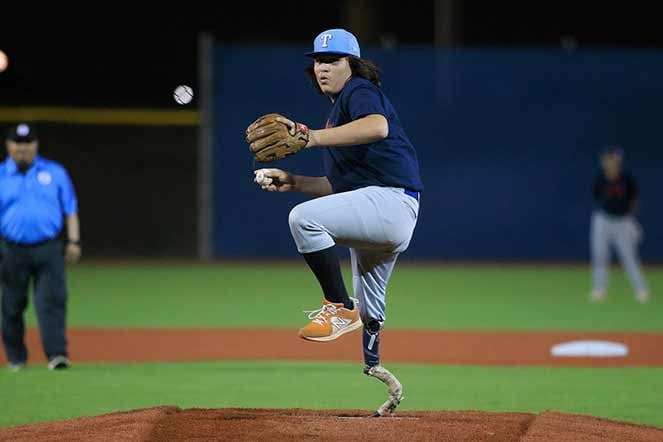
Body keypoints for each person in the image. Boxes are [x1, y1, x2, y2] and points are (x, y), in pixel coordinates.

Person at [249, 29, 423, 415]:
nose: (323, 67)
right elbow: (340, 188)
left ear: (353, 65)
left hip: (389, 203)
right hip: (382, 210)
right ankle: (375, 366)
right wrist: (294, 181)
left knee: (304, 221)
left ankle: (337, 306)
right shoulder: (337, 118)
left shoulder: (358, 91)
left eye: (334, 61)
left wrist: (309, 137)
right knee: (371, 308)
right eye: (318, 61)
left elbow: (378, 126)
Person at [0, 123, 81, 372]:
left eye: (28, 142)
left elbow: (70, 209)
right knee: (12, 304)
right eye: (18, 142)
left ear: (36, 145)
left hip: (48, 248)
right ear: (9, 146)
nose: (23, 148)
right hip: (12, 249)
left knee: (52, 301)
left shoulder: (54, 172)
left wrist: (74, 241)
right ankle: (16, 358)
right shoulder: (1, 174)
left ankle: (57, 355)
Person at [590, 145, 649, 303]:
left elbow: (634, 198)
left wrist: (629, 219)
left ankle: (641, 289)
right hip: (603, 220)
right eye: (607, 159)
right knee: (600, 255)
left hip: (623, 221)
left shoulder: (626, 179)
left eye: (612, 158)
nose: (609, 162)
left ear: (618, 160)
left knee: (629, 257)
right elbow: (596, 196)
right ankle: (599, 289)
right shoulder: (601, 179)